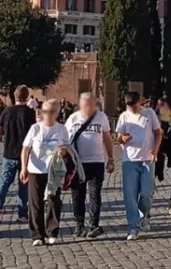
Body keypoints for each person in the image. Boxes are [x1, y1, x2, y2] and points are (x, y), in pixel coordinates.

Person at [64, 92, 114, 239]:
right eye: (85, 104)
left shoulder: (101, 117)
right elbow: (64, 139)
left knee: (95, 195)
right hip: (77, 164)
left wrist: (111, 158)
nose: (88, 107)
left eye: (91, 104)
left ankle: (94, 225)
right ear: (80, 105)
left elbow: (107, 138)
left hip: (96, 162)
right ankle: (79, 224)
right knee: (77, 195)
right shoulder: (73, 118)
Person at [115, 91, 162, 241]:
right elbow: (118, 137)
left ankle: (144, 214)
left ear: (139, 103)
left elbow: (158, 133)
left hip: (147, 159)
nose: (132, 110)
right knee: (130, 195)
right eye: (129, 107)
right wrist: (122, 138)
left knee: (147, 193)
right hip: (129, 159)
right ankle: (133, 227)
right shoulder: (124, 116)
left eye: (134, 107)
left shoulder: (149, 114)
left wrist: (155, 149)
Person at [21, 99, 68, 246]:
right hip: (35, 169)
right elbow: (25, 149)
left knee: (54, 201)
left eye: (52, 112)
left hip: (53, 170)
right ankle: (37, 235)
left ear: (57, 113)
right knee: (35, 202)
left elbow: (66, 147)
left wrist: (62, 151)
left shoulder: (61, 129)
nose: (48, 114)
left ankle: (52, 232)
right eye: (45, 111)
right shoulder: (35, 128)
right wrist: (23, 167)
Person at [0, 85, 36, 225]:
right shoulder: (29, 112)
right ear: (26, 96)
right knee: (24, 184)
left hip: (9, 152)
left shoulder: (6, 111)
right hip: (25, 153)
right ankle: (22, 214)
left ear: (14, 96)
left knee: (4, 181)